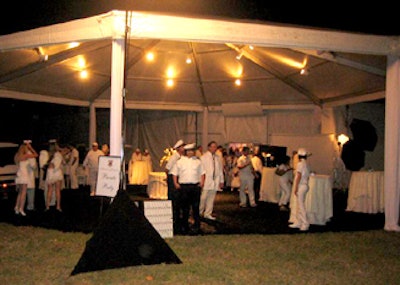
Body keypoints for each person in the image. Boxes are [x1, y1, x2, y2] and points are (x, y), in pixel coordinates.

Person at [171, 143, 205, 235]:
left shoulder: (198, 161)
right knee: (185, 208)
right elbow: (174, 173)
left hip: (195, 187)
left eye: (192, 151)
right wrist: (176, 183)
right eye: (189, 151)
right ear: (186, 152)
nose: (190, 153)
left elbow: (202, 173)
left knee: (196, 208)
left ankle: (197, 226)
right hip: (184, 187)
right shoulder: (180, 161)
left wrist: (202, 182)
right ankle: (184, 226)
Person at [199, 141, 224, 220]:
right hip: (206, 181)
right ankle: (199, 212)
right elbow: (201, 170)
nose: (214, 148)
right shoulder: (203, 157)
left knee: (211, 198)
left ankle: (208, 213)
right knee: (203, 198)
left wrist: (221, 180)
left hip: (215, 181)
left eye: (215, 147)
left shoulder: (217, 157)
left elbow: (220, 170)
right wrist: (201, 180)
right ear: (209, 147)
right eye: (212, 146)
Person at [165, 139, 186, 234]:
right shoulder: (175, 157)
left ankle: (177, 213)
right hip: (172, 177)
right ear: (178, 148)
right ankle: (173, 214)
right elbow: (167, 168)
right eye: (182, 147)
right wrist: (169, 179)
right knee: (173, 196)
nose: (184, 148)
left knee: (178, 197)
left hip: (178, 177)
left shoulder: (181, 157)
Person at [14, 141, 38, 216]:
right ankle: (21, 209)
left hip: (19, 174)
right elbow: (36, 155)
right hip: (24, 175)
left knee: (20, 193)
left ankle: (17, 207)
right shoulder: (26, 156)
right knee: (23, 193)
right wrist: (31, 148)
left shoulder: (17, 156)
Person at [289, 148, 311, 231]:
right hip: (305, 185)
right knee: (299, 205)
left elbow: (298, 175)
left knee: (301, 205)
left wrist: (296, 187)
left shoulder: (300, 164)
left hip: (301, 186)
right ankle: (298, 222)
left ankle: (305, 223)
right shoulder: (306, 164)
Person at [45, 140, 64, 212]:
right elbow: (59, 164)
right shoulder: (58, 154)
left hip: (50, 172)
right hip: (57, 172)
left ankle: (47, 206)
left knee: (50, 190)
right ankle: (58, 206)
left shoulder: (49, 154)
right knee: (57, 190)